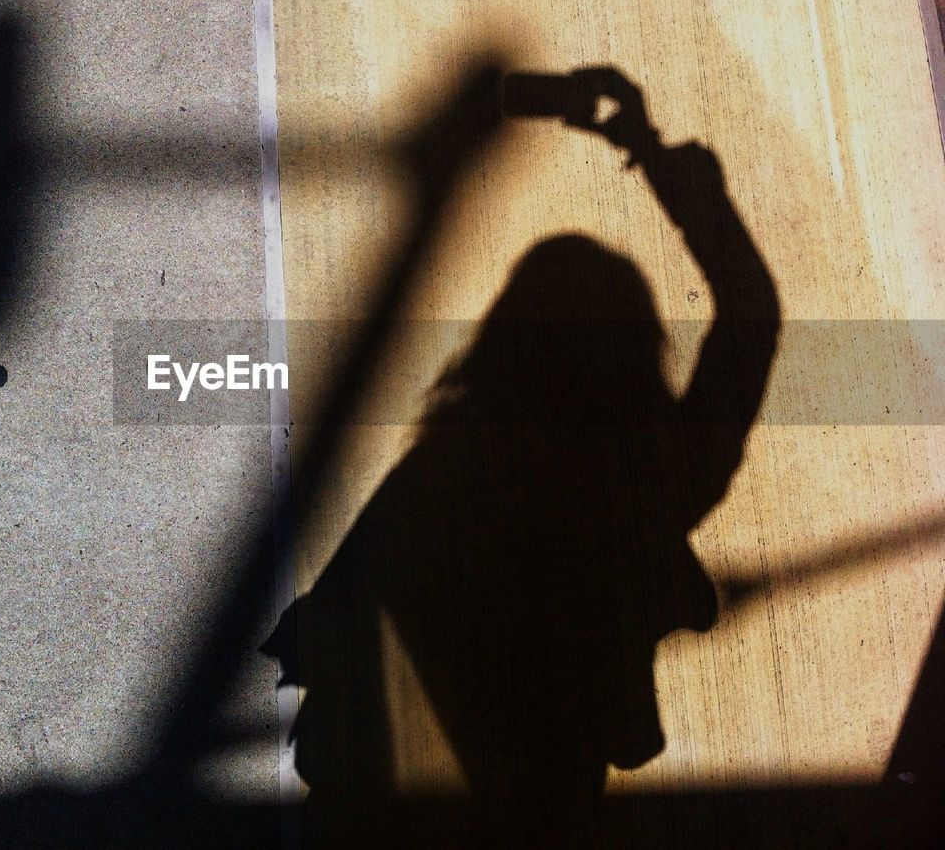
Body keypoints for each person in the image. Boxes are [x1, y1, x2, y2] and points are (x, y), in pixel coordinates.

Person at [270, 67, 780, 845]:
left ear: (501, 346)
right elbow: (750, 309)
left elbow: (334, 643)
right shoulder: (649, 486)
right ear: (639, 356)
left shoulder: (445, 476)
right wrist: (649, 149)